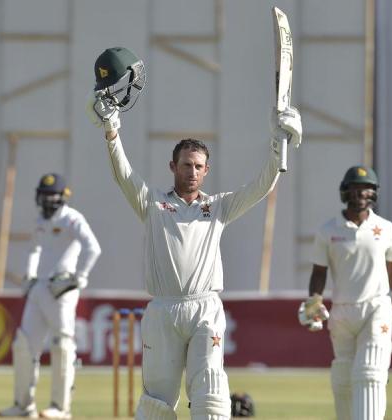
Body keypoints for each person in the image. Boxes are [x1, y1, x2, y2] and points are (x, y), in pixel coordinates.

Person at [89, 47, 303, 420]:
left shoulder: (219, 207)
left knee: (210, 393)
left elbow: (262, 185)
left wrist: (278, 141)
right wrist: (111, 131)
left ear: (206, 171)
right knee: (157, 402)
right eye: (186, 165)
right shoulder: (152, 203)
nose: (192, 172)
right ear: (173, 166)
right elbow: (123, 174)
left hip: (205, 308)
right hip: (163, 309)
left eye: (198, 166)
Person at [297, 165, 392, 420]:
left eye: (366, 189)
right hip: (342, 311)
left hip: (376, 307)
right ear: (345, 192)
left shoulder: (385, 228)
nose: (360, 194)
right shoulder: (328, 230)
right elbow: (319, 272)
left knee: (370, 372)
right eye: (355, 188)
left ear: (373, 193)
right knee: (343, 377)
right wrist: (314, 302)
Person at [0, 173, 102, 419]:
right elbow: (34, 249)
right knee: (24, 345)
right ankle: (23, 406)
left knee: (62, 345)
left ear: (63, 196)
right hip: (39, 288)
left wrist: (79, 277)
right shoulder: (40, 221)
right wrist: (30, 276)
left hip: (62, 289)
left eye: (52, 195)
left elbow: (93, 248)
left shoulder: (72, 219)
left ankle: (61, 407)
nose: (47, 200)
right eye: (44, 195)